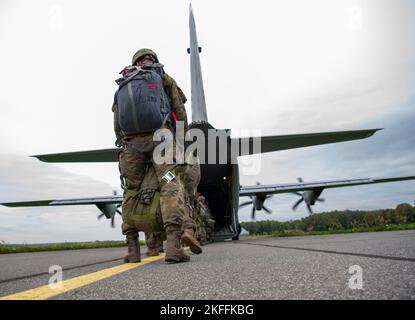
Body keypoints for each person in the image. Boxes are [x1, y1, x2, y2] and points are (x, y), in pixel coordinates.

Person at [112, 48, 192, 263]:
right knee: (169, 183)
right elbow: (180, 111)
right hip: (162, 140)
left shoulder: (124, 82)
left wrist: (126, 144)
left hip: (132, 146)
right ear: (154, 59)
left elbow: (117, 121)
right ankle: (174, 245)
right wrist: (181, 142)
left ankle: (132, 249)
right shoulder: (163, 78)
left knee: (131, 190)